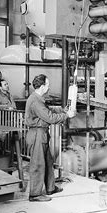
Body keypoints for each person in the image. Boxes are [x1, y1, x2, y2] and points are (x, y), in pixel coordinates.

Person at [25, 74, 75, 202]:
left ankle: (50, 188)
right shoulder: (35, 101)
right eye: (48, 85)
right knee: (37, 164)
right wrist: (66, 116)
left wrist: (62, 110)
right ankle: (35, 194)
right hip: (37, 134)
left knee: (48, 161)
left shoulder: (39, 99)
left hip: (42, 134)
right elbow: (49, 117)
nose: (49, 87)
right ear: (42, 86)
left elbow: (48, 110)